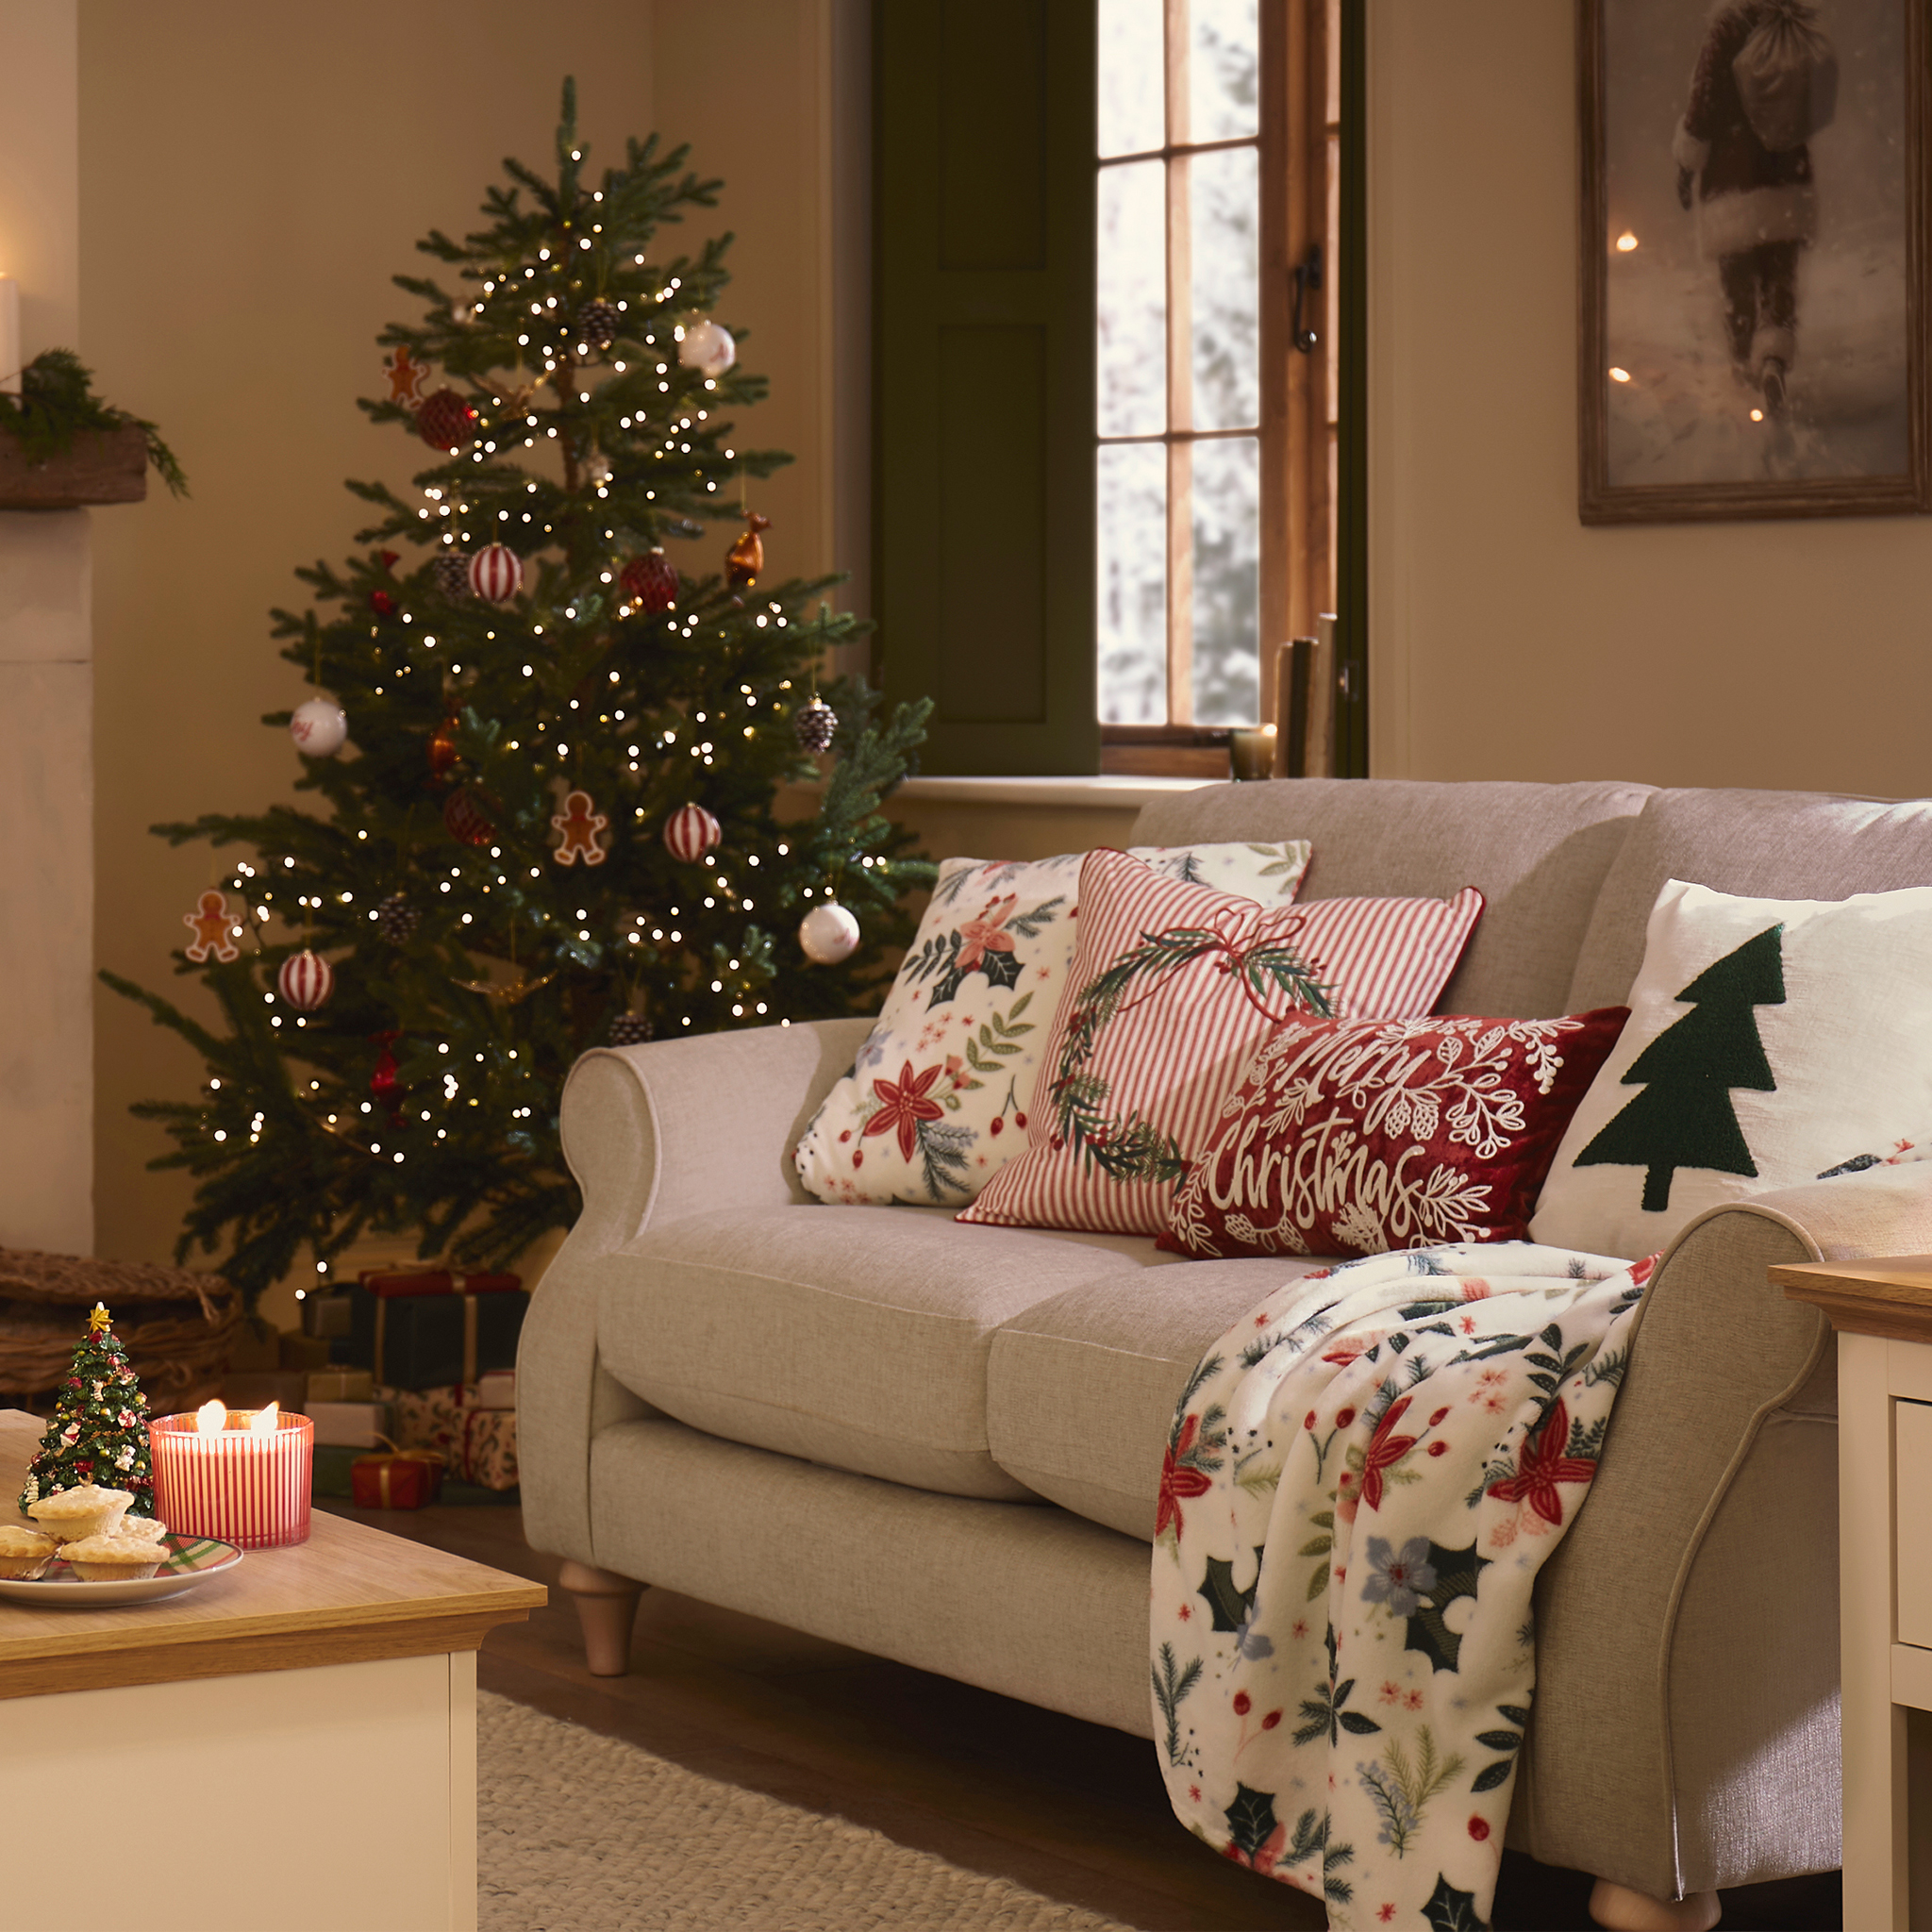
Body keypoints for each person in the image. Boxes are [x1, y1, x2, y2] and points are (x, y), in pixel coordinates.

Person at [1673, 0, 1826, 415]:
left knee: (1738, 290)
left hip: (1733, 182)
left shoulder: (1728, 26)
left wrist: (1686, 166)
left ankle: (1747, 379)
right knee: (1780, 280)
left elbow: (1703, 100)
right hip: (1787, 177)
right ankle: (1774, 360)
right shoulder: (1790, 22)